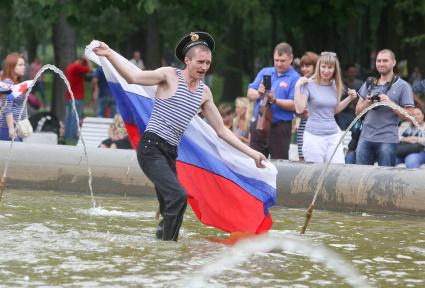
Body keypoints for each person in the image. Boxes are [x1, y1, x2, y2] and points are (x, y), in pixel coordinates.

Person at [92, 31, 266, 241]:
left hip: (170, 153)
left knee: (170, 209)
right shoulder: (168, 75)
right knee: (178, 197)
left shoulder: (205, 93)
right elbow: (133, 77)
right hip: (151, 149)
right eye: (200, 62)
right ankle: (168, 251)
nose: (204, 67)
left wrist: (253, 153)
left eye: (208, 63)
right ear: (187, 60)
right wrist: (109, 54)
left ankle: (160, 249)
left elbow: (222, 131)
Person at [355, 49, 415, 167]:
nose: (381, 64)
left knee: (385, 180)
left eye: (385, 61)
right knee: (360, 177)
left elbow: (411, 116)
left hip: (387, 140)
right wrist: (366, 103)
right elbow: (357, 111)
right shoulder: (370, 83)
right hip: (365, 138)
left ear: (393, 62)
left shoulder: (403, 86)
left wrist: (390, 103)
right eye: (378, 61)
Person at [294, 52, 357, 163]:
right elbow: (299, 109)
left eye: (330, 67)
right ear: (319, 67)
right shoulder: (308, 84)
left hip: (333, 135)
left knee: (337, 169)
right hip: (314, 136)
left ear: (334, 70)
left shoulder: (335, 85)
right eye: (323, 67)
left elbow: (333, 111)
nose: (326, 71)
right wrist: (297, 87)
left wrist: (349, 99)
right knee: (315, 174)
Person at [247, 42, 300, 159]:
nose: (279, 64)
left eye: (282, 60)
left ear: (291, 58)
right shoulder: (265, 71)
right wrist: (259, 93)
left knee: (279, 163)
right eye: (276, 60)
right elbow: (250, 94)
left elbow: (295, 105)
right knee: (254, 162)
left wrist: (275, 100)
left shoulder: (295, 78)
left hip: (279, 127)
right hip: (259, 123)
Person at [295, 52, 318, 161]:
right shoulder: (301, 82)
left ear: (315, 66)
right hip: (303, 126)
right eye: (302, 66)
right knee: (302, 159)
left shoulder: (321, 84)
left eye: (308, 66)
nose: (304, 69)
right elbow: (297, 108)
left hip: (318, 128)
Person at [64, 56, 92, 141]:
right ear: (81, 61)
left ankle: (67, 136)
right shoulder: (77, 67)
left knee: (68, 118)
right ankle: (72, 137)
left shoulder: (70, 66)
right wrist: (87, 59)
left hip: (69, 96)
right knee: (75, 118)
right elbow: (90, 69)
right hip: (76, 97)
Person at [0, 53, 27, 142]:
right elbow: (7, 106)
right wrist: (11, 129)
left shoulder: (16, 83)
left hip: (16, 127)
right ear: (12, 66)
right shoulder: (8, 82)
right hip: (6, 128)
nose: (24, 67)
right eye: (20, 65)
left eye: (23, 64)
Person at [335, 63, 363, 130]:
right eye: (350, 72)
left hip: (355, 114)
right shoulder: (340, 84)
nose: (352, 74)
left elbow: (361, 102)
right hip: (342, 114)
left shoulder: (360, 84)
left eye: (354, 72)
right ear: (346, 73)